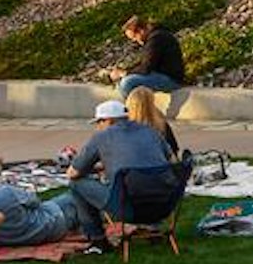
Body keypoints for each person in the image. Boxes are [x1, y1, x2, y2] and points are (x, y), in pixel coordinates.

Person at [68, 89, 188, 249]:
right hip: (165, 206)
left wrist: (92, 167)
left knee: (76, 184)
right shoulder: (150, 132)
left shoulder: (102, 137)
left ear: (108, 120)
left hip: (130, 210)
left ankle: (97, 241)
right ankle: (155, 229)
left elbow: (73, 172)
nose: (97, 127)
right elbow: (171, 160)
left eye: (99, 122)